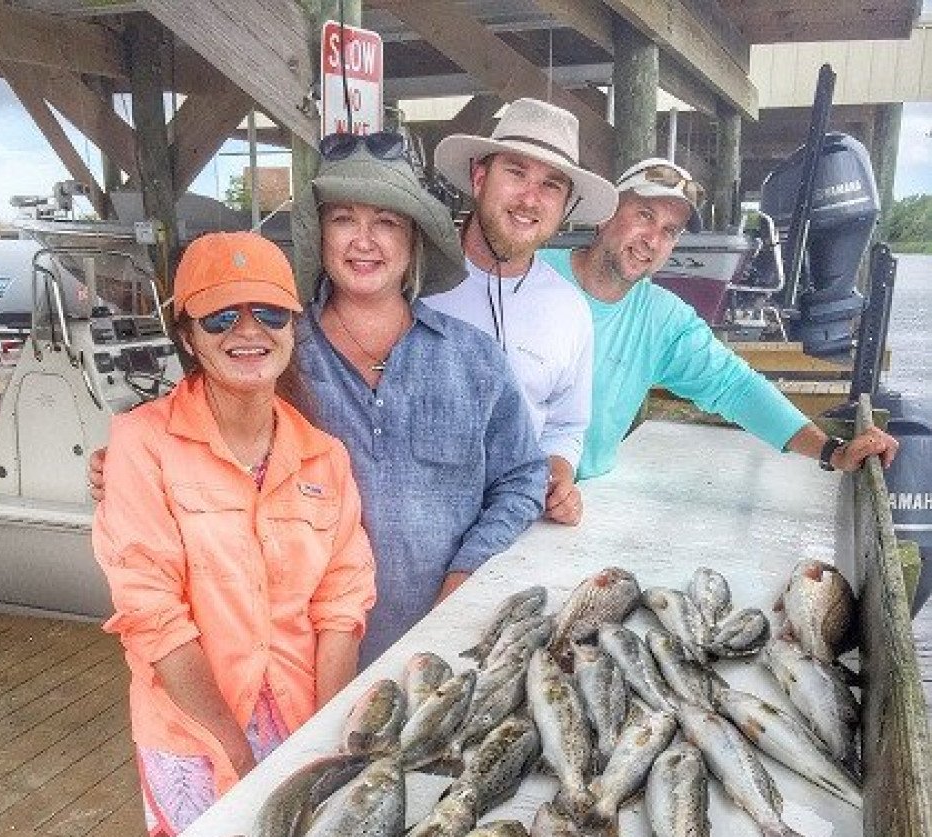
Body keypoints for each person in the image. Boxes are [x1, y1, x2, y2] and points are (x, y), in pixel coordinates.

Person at [91, 232, 376, 837]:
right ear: (188, 336)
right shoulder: (141, 444)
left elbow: (341, 605)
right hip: (195, 732)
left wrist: (325, 743)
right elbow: (152, 614)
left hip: (303, 722)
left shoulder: (326, 456)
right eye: (221, 317)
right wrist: (234, 754)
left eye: (269, 312)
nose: (248, 332)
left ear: (293, 327)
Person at [288, 133, 547, 663]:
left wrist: (466, 575)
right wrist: (132, 463)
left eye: (386, 222)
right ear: (319, 236)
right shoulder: (280, 355)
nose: (364, 241)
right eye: (343, 219)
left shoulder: (474, 357)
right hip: (305, 662)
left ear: (414, 242)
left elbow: (522, 478)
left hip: (449, 651)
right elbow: (206, 448)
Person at [543, 157, 898, 476]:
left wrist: (832, 451)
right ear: (605, 215)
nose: (652, 239)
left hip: (578, 506)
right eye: (644, 215)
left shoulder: (663, 319)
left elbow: (737, 387)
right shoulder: (530, 277)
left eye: (669, 231)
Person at [426, 98, 618, 525]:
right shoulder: (411, 283)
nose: (530, 199)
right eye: (515, 172)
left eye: (552, 185)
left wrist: (559, 480)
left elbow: (566, 428)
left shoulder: (570, 310)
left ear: (566, 207)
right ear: (479, 177)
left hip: (515, 531)